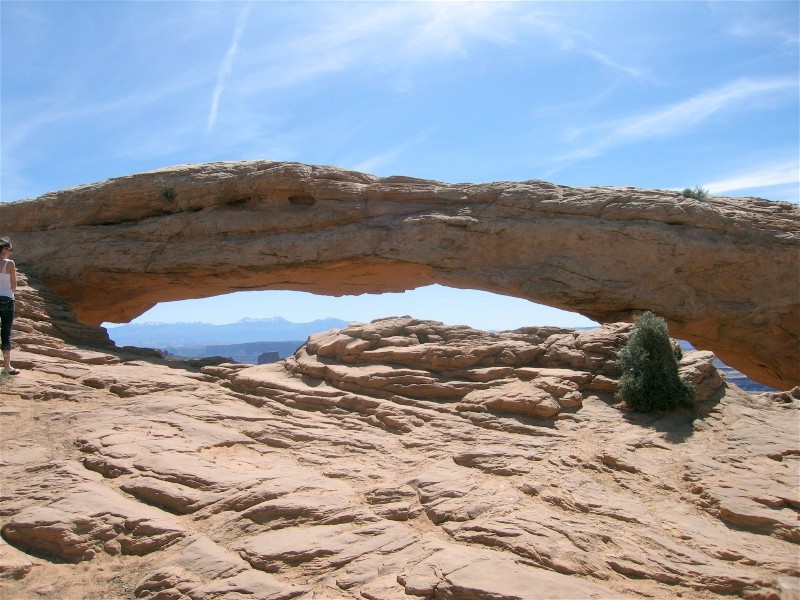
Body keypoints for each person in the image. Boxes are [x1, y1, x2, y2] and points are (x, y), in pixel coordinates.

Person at [0, 238, 19, 375]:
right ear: (4, 250)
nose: (10, 253)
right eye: (10, 249)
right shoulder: (9, 264)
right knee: (6, 333)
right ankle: (7, 366)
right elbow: (14, 286)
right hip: (7, 299)